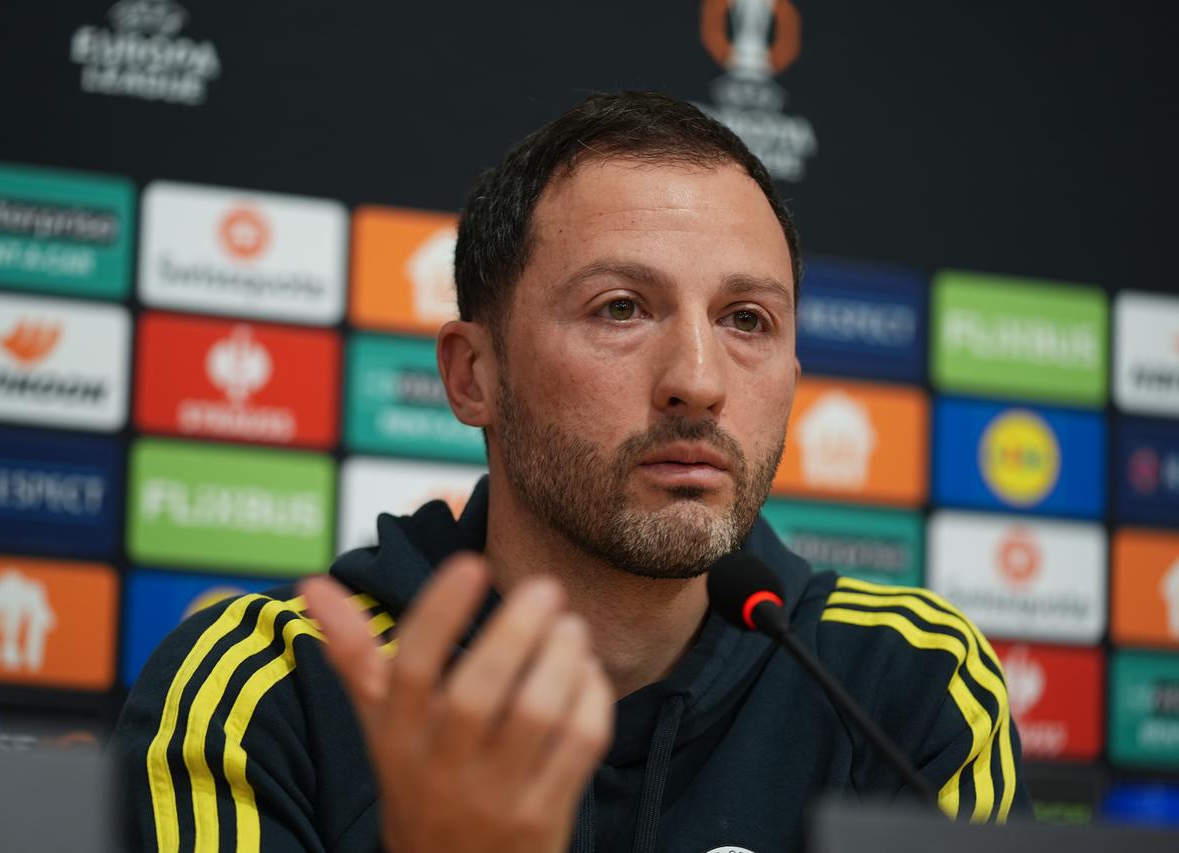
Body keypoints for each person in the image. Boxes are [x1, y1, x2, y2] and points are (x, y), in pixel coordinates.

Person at [111, 90, 1027, 853]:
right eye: (622, 308)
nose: (698, 383)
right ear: (476, 375)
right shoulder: (269, 689)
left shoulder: (906, 684)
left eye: (747, 319)